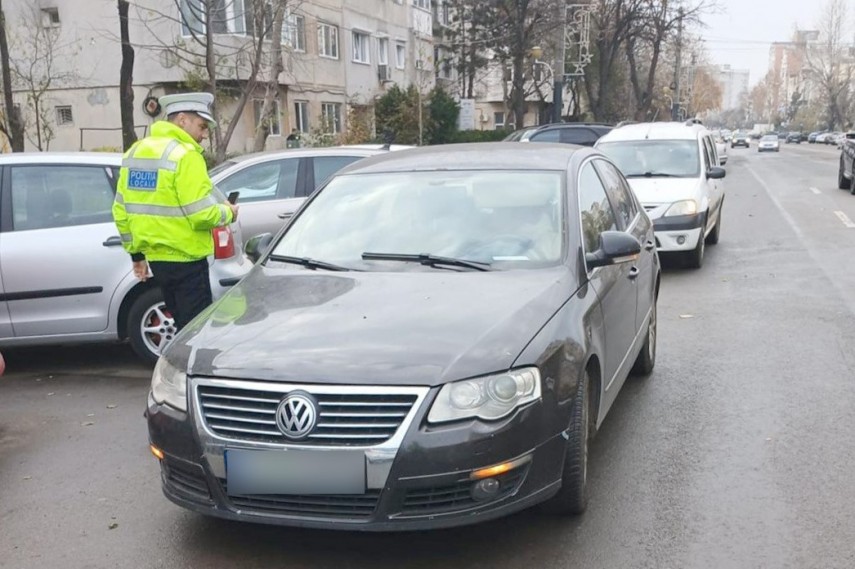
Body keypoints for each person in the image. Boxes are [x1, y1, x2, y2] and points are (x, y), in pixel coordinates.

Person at [112, 92, 238, 332]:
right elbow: (202, 214)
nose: (203, 135)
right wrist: (229, 213)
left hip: (157, 262)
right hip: (187, 261)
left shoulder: (135, 152)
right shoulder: (186, 156)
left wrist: (136, 256)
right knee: (195, 334)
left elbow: (121, 210)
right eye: (201, 126)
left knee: (181, 329)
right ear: (182, 120)